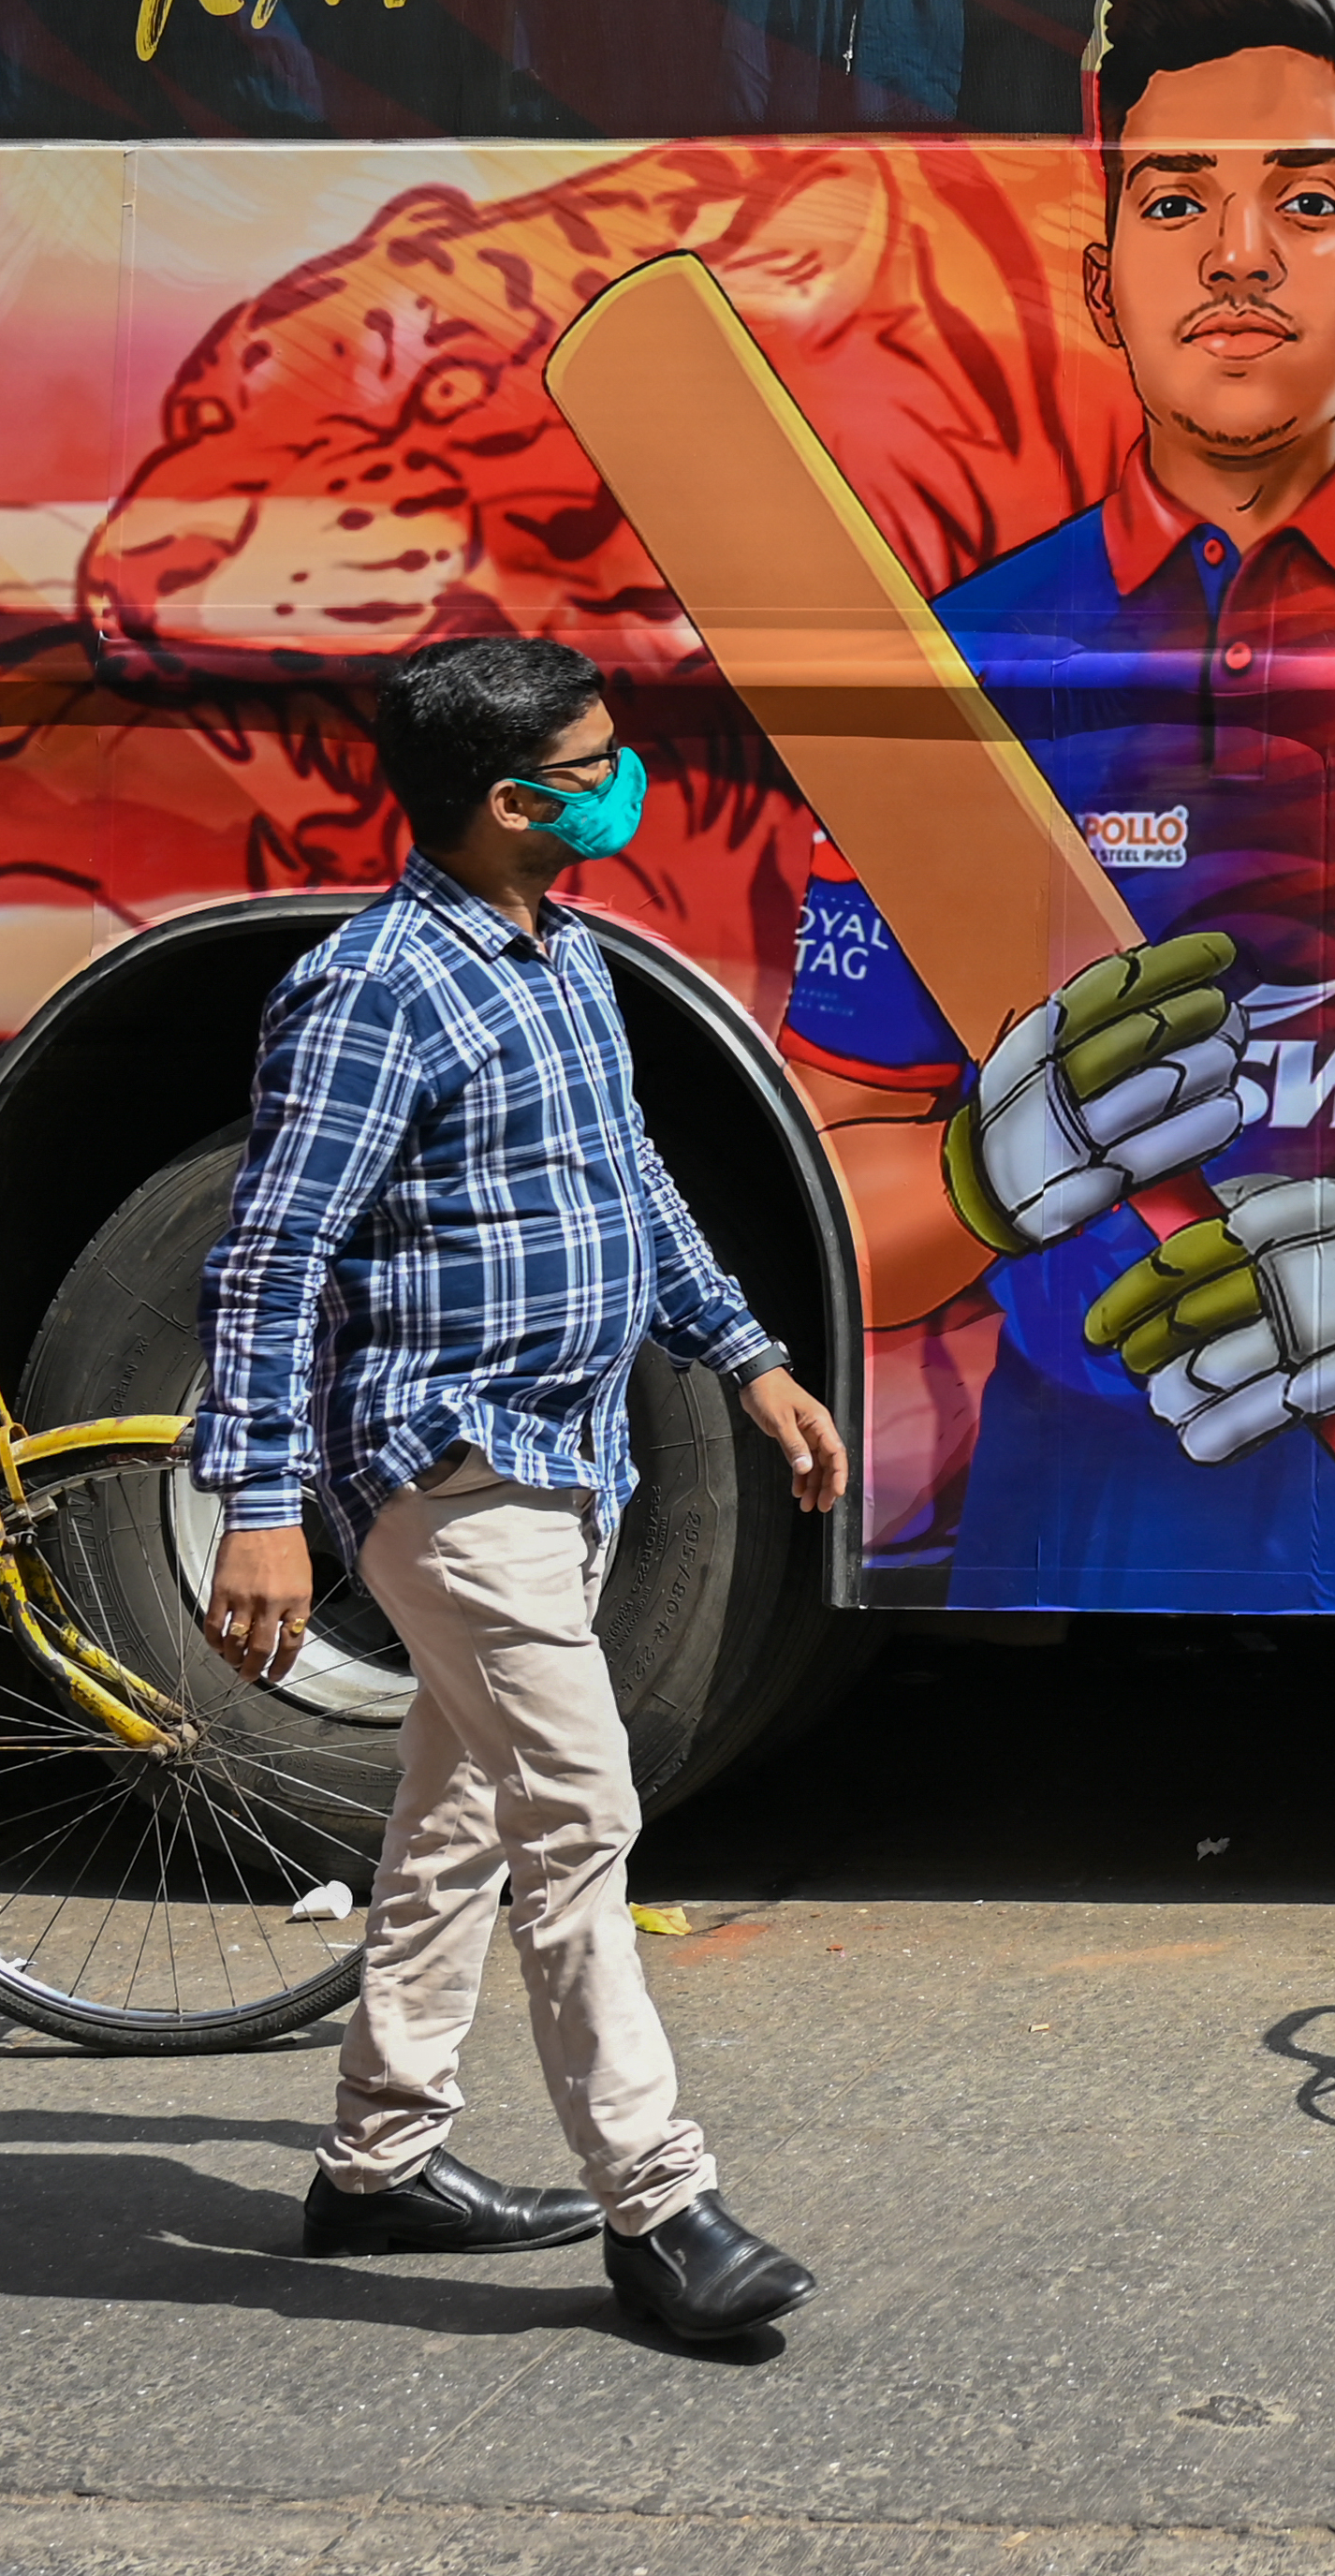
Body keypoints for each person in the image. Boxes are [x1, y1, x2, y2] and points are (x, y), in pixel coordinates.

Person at [778, 0, 1335, 1611]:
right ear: (1104, 281)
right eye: (1177, 203)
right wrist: (979, 1179)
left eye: (1308, 203)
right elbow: (836, 1207)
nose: (1239, 257)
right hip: (1071, 1507)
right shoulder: (970, 666)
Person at [191, 637, 849, 2343]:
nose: (625, 780)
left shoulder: (562, 954)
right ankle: (661, 2206)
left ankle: (379, 2160)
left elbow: (629, 1179)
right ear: (507, 800)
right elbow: (268, 1259)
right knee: (579, 1811)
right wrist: (256, 1500)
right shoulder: (371, 988)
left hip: (570, 1458)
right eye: (596, 760)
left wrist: (749, 1354)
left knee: (462, 1812)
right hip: (450, 1467)